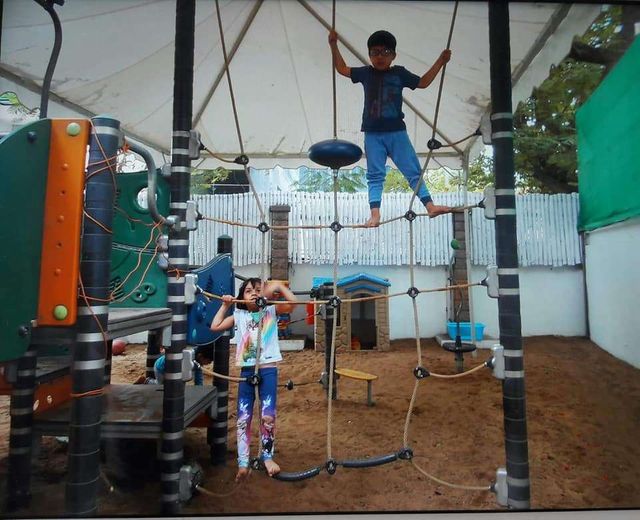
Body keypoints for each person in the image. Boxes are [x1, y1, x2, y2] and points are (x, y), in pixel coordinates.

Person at [329, 29, 454, 227]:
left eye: (385, 52)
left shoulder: (399, 73)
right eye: (374, 52)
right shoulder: (365, 73)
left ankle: (430, 206)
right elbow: (342, 68)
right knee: (375, 175)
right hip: (373, 134)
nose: (379, 57)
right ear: (369, 55)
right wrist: (334, 45)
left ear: (393, 55)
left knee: (413, 170)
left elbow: (422, 82)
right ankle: (375, 214)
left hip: (396, 132)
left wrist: (441, 61)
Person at [211, 278, 296, 482]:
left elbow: (292, 305)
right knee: (243, 417)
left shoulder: (270, 311)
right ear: (242, 298)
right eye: (249, 291)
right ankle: (242, 462)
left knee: (268, 415)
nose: (254, 293)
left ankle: (267, 456)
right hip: (246, 372)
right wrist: (225, 305)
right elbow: (215, 326)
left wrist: (278, 287)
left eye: (258, 290)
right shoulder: (239, 315)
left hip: (268, 370)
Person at [135, 344, 213, 385]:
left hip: (172, 370)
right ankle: (146, 381)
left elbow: (198, 377)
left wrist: (199, 389)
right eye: (209, 361)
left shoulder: (198, 361)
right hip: (161, 369)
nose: (209, 363)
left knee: (176, 385)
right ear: (200, 356)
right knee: (161, 387)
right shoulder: (187, 357)